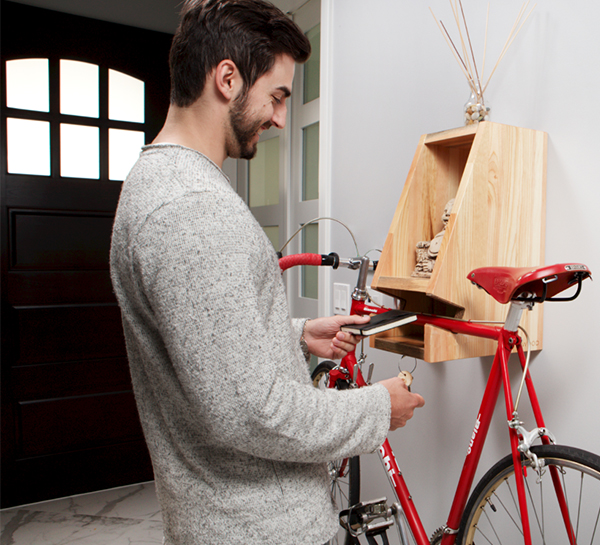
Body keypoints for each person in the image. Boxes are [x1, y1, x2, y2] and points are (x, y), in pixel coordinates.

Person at [109, 1, 425, 544]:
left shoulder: (160, 185)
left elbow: (201, 345)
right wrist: (376, 408)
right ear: (227, 78)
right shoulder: (191, 209)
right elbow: (252, 412)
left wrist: (297, 332)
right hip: (260, 529)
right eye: (277, 96)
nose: (280, 118)